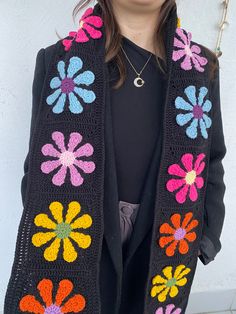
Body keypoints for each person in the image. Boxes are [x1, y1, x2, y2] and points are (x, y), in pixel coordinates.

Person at [4, 0, 226, 313]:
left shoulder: (201, 67)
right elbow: (42, 163)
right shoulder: (58, 62)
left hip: (163, 233)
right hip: (83, 232)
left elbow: (210, 160)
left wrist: (206, 237)